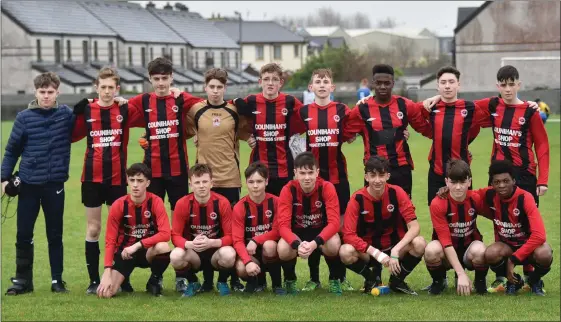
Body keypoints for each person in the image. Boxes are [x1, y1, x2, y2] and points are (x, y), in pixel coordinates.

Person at [423, 65, 544, 289]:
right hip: (487, 172)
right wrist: (436, 97)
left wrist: (543, 180)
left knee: (521, 222)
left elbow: (543, 145)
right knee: (492, 217)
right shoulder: (487, 106)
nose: (507, 89)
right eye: (503, 85)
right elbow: (447, 105)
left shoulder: (526, 111)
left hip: (524, 173)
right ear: (497, 87)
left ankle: (529, 274)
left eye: (511, 84)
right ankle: (455, 276)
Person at [126, 57, 203, 291]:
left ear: (171, 78)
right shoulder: (143, 100)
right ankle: (156, 276)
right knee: (153, 227)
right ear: (150, 79)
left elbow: (205, 105)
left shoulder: (180, 98)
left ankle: (183, 274)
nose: (161, 83)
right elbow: (120, 109)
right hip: (153, 173)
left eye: (165, 78)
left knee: (181, 225)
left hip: (178, 171)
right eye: (156, 79)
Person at [2, 72, 75, 295]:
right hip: (28, 184)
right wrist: (4, 179)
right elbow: (12, 150)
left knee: (55, 234)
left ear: (57, 92)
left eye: (50, 92)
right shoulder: (24, 117)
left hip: (54, 184)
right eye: (42, 92)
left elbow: (94, 109)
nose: (46, 96)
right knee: (24, 233)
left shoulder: (67, 115)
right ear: (35, 92)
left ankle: (57, 280)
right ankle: (23, 281)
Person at [71, 67, 142, 294]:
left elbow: (150, 112)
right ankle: (94, 280)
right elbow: (72, 135)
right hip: (91, 179)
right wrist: (75, 113)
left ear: (117, 89)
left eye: (111, 87)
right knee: (94, 229)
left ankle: (122, 277)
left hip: (116, 179)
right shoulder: (88, 109)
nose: (107, 91)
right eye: (103, 87)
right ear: (96, 87)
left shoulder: (124, 109)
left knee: (122, 229)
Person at [183, 68, 249, 293]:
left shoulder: (234, 110)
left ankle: (231, 279)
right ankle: (207, 281)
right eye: (211, 86)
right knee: (205, 230)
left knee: (230, 232)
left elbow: (247, 132)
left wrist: (252, 139)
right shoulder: (196, 111)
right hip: (203, 181)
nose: (215, 91)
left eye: (219, 87)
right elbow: (182, 129)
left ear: (225, 88)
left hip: (230, 179)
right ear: (205, 87)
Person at [293, 68, 355, 292]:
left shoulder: (342, 110)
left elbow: (354, 132)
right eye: (317, 81)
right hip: (311, 180)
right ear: (311, 87)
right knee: (313, 225)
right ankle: (313, 278)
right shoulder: (303, 112)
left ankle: (338, 277)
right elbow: (288, 133)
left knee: (338, 228)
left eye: (325, 81)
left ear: (332, 87)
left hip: (338, 179)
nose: (321, 84)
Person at [340, 156, 426, 296]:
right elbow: (348, 234)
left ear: (388, 176)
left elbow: (414, 226)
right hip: (369, 251)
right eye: (373, 176)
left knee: (420, 243)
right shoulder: (357, 199)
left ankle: (397, 281)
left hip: (394, 246)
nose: (377, 180)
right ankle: (371, 279)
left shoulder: (397, 192)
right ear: (366, 177)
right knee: (345, 251)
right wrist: (377, 254)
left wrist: (396, 250)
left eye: (381, 175)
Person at [349, 64, 433, 198]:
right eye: (379, 83)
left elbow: (425, 127)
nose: (382, 87)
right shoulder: (362, 109)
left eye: (387, 83)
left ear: (393, 84)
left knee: (404, 213)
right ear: (373, 84)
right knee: (374, 214)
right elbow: (343, 129)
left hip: (400, 169)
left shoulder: (404, 105)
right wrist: (350, 137)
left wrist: (435, 99)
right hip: (374, 171)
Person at [473, 160, 551, 296]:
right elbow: (463, 195)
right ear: (491, 184)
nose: (502, 185)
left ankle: (534, 280)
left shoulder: (525, 197)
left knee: (544, 253)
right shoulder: (489, 194)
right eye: (497, 182)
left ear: (514, 181)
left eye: (506, 181)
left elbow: (539, 235)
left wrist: (513, 259)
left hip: (528, 247)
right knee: (490, 253)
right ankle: (514, 281)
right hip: (507, 246)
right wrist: (447, 191)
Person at [96, 163, 172, 298]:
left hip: (146, 251)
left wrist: (138, 245)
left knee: (163, 247)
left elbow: (166, 233)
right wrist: (107, 270)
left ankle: (154, 281)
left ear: (148, 183)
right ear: (127, 181)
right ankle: (123, 279)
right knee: (105, 293)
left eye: (140, 181)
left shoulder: (156, 201)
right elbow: (110, 240)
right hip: (125, 254)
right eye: (132, 180)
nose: (135, 185)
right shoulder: (118, 205)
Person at [276, 152, 344, 295]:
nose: (307, 177)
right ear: (295, 173)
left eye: (310, 172)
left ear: (317, 172)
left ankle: (334, 279)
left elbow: (334, 223)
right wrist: (296, 244)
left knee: (333, 244)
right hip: (298, 234)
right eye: (302, 173)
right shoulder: (288, 189)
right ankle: (290, 280)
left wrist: (314, 243)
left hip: (321, 232)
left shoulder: (327, 187)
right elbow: (282, 226)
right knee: (283, 247)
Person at [233, 63, 304, 196]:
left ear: (281, 82)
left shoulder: (290, 102)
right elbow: (225, 117)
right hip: (258, 168)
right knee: (260, 209)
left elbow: (310, 117)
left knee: (283, 210)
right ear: (260, 82)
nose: (270, 83)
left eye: (274, 79)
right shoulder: (251, 101)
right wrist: (247, 136)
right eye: (266, 79)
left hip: (284, 168)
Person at [169, 163, 236, 297]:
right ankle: (193, 282)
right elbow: (175, 236)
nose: (201, 186)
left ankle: (222, 282)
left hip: (216, 252)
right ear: (190, 184)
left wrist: (211, 243)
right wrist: (190, 244)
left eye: (205, 181)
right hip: (194, 253)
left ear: (212, 183)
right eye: (197, 182)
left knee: (229, 254)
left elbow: (230, 236)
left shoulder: (222, 202)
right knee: (175, 256)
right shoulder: (182, 203)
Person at [424, 159, 488, 296]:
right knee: (431, 250)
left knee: (481, 250)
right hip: (445, 252)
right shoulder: (438, 203)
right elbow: (446, 243)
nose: (458, 187)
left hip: (468, 249)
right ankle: (439, 281)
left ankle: (480, 283)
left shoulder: (475, 198)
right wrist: (461, 274)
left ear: (469, 182)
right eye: (453, 182)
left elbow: (496, 193)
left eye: (462, 182)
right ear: (446, 182)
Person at [232, 162, 284, 294]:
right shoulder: (240, 207)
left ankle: (277, 285)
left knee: (270, 245)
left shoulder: (276, 202)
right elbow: (237, 240)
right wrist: (247, 261)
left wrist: (256, 240)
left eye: (259, 181)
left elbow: (278, 231)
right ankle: (258, 283)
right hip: (251, 253)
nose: (255, 186)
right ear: (246, 183)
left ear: (266, 182)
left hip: (271, 251)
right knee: (241, 267)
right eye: (251, 182)